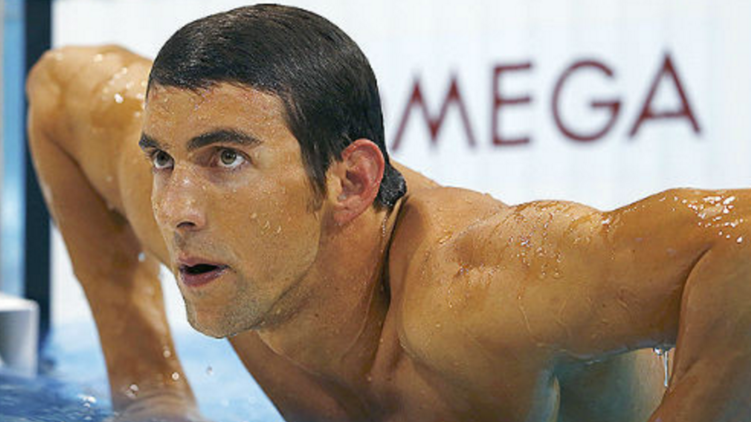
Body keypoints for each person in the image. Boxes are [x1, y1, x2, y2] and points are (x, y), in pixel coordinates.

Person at [26, 4, 750, 422]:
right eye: (162, 158)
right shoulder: (223, 253)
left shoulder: (476, 295)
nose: (177, 208)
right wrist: (149, 389)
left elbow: (739, 240)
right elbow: (58, 88)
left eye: (227, 159)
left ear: (351, 182)